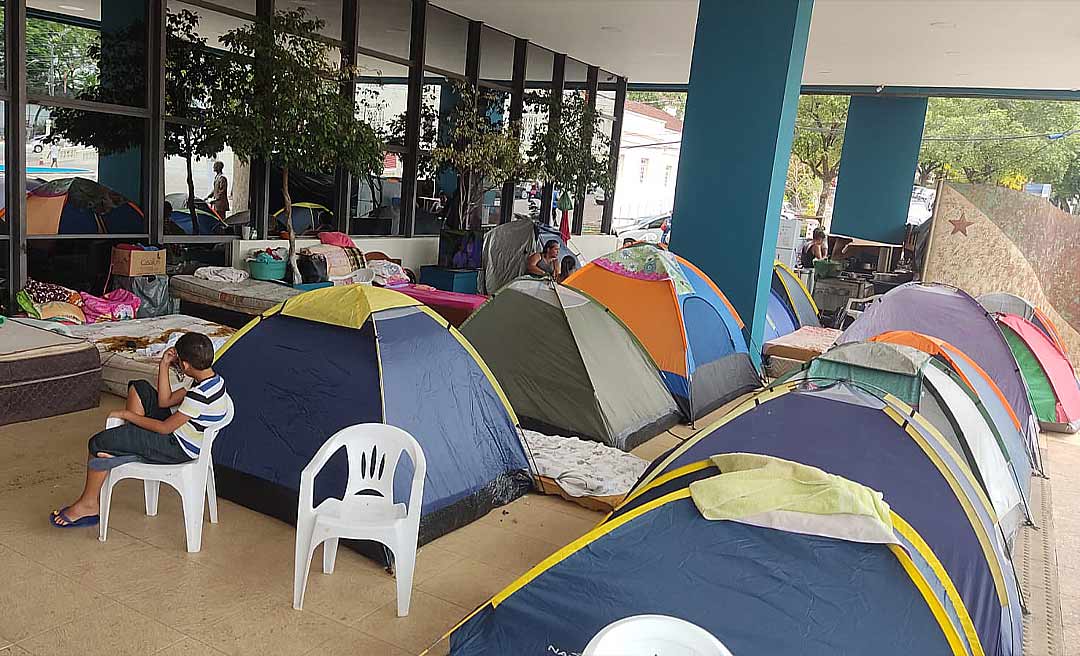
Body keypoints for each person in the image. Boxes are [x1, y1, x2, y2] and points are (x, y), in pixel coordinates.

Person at [49, 333, 230, 528]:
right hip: (180, 433)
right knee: (140, 387)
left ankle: (89, 505)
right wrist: (164, 364)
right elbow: (165, 401)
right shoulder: (213, 381)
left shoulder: (199, 396)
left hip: (176, 447)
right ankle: (129, 447)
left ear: (185, 365)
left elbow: (163, 428)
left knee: (97, 443)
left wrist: (128, 416)